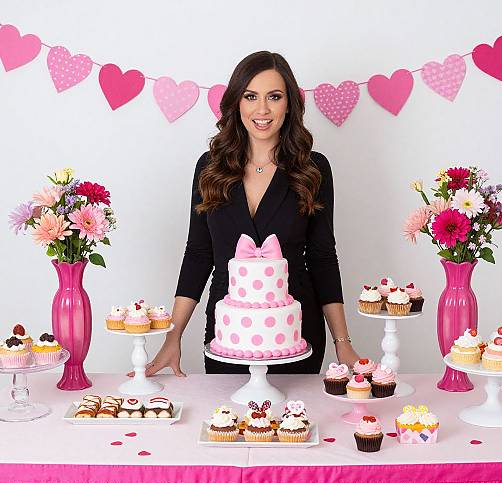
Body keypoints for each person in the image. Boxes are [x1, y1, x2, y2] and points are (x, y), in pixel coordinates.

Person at [141, 50, 359, 376]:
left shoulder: (313, 169)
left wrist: (342, 341)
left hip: (296, 332)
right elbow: (199, 254)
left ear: (290, 104)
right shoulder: (210, 168)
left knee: (294, 423)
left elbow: (323, 256)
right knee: (227, 423)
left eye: (274, 96)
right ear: (237, 103)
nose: (262, 109)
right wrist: (174, 337)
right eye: (251, 96)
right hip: (227, 333)